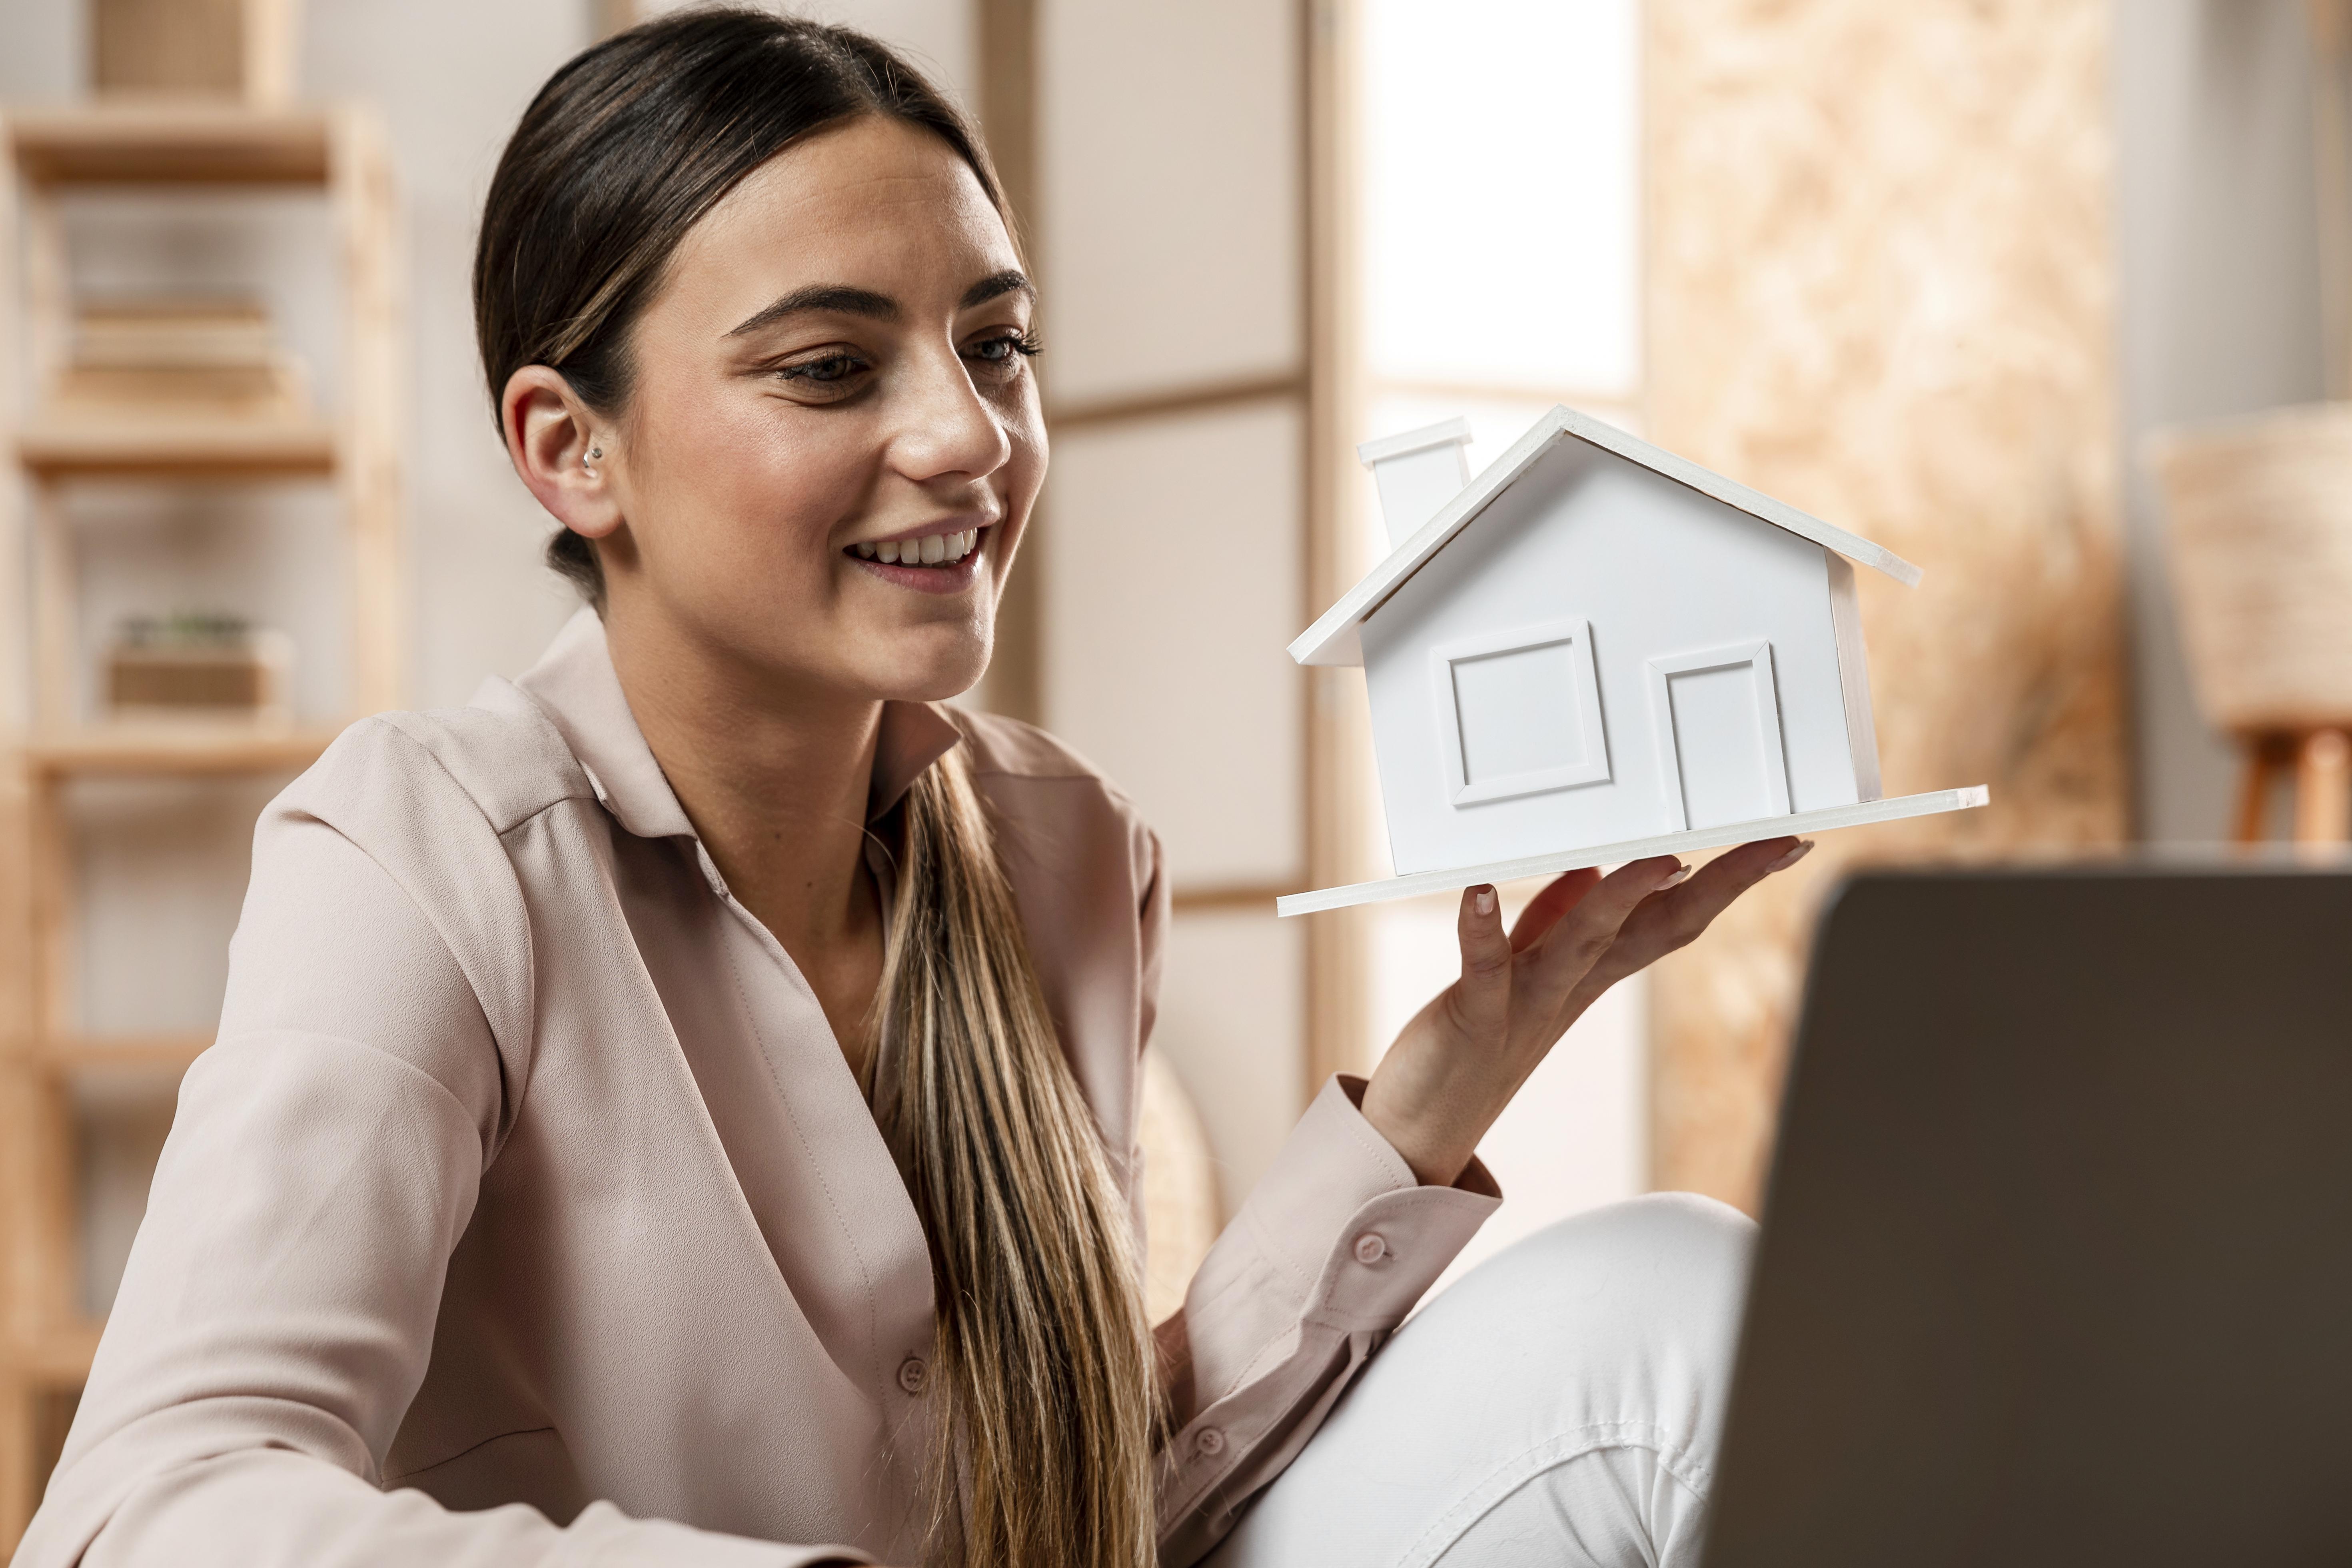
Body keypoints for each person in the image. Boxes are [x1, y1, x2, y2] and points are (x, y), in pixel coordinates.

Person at [15, 13, 1809, 1567]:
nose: (966, 434)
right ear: (574, 450)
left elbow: (1095, 1498)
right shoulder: (417, 857)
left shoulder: (1066, 853)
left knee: (1671, 1300)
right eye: (829, 365)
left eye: (996, 343)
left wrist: (1442, 1083)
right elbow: (150, 1514)